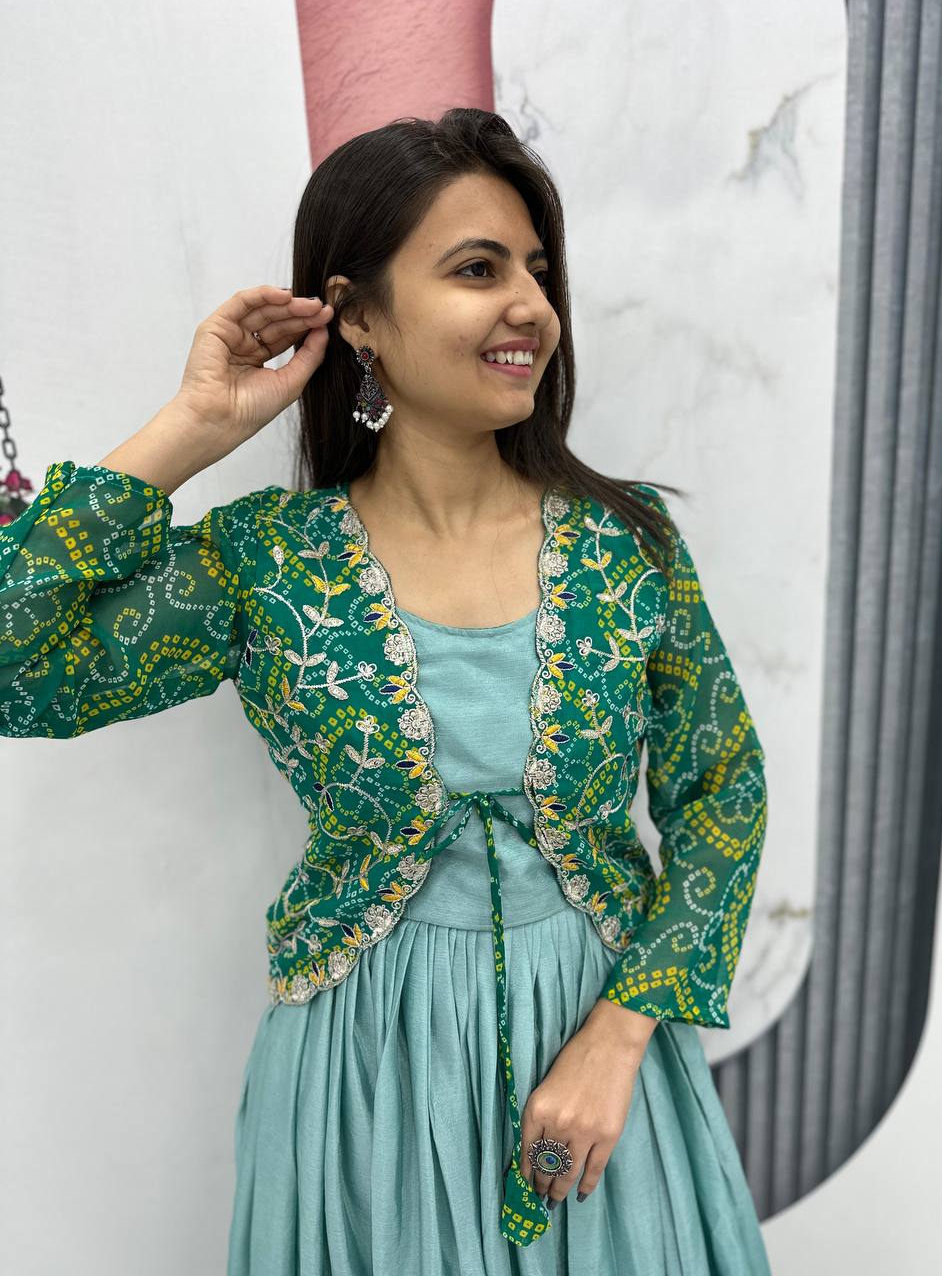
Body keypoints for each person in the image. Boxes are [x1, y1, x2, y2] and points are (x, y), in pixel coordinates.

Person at [0, 109, 772, 1275]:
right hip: (364, 1088)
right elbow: (18, 669)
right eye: (478, 269)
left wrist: (618, 1041)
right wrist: (192, 427)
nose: (532, 306)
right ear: (356, 314)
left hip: (602, 1080)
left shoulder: (629, 543)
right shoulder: (268, 564)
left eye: (537, 270)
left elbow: (723, 790)